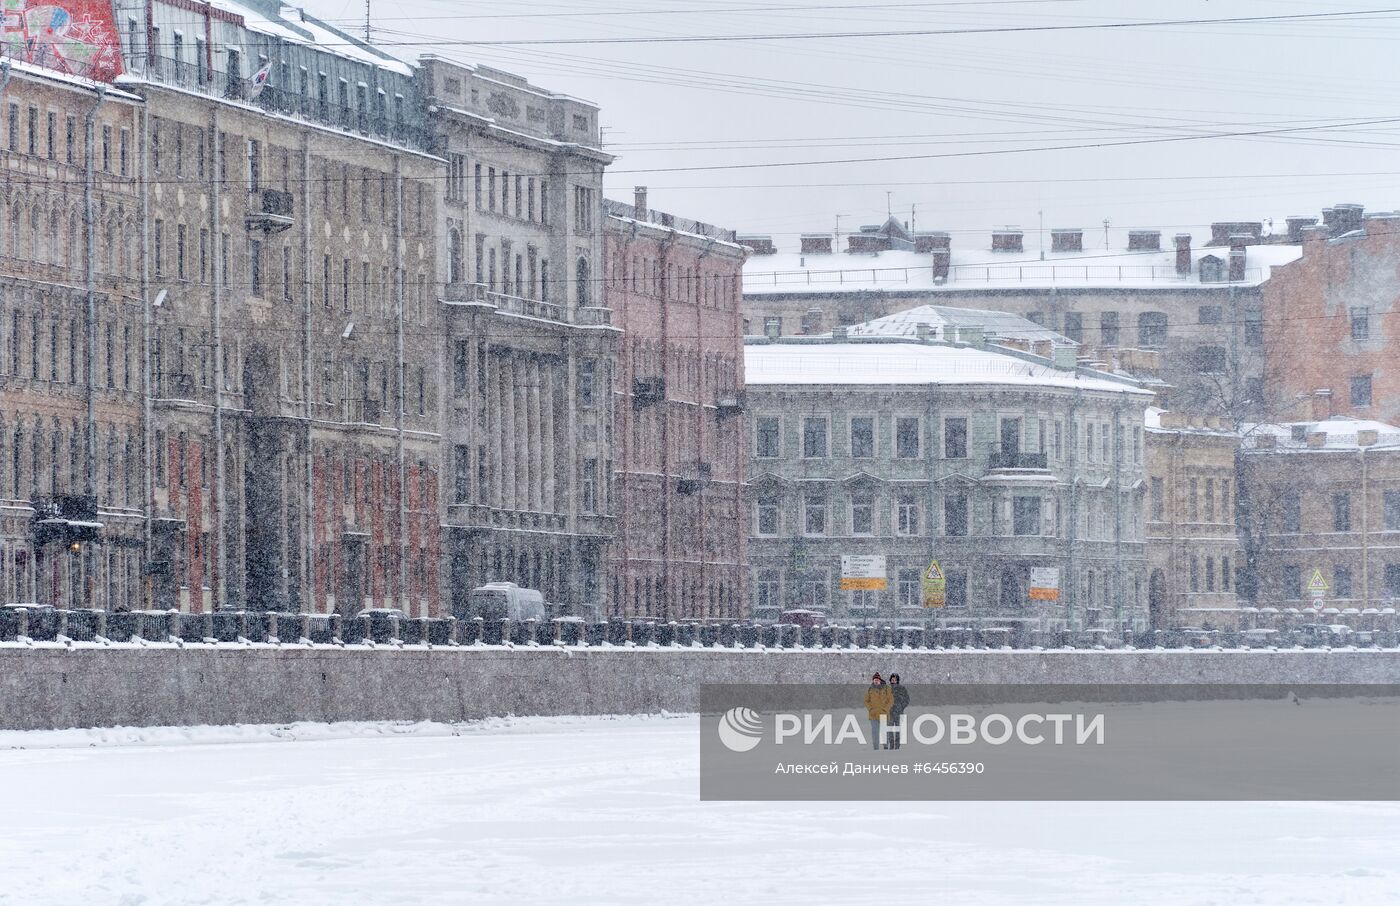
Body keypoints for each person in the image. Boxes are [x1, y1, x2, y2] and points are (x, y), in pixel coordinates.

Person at [862, 673, 892, 751]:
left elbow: (891, 700)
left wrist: (886, 709)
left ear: (880, 680)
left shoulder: (886, 689)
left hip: (884, 714)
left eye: (877, 680)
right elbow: (866, 701)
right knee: (875, 733)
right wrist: (870, 709)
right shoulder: (870, 689)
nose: (876, 681)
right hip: (873, 715)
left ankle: (885, 746)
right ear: (873, 680)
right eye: (875, 680)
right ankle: (876, 748)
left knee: (884, 732)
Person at [887, 673, 910, 749]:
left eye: (895, 679)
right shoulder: (887, 689)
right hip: (889, 712)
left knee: (898, 729)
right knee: (889, 729)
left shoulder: (902, 689)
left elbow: (907, 699)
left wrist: (901, 707)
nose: (893, 681)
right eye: (892, 679)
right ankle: (891, 744)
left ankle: (897, 745)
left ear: (897, 680)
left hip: (898, 712)